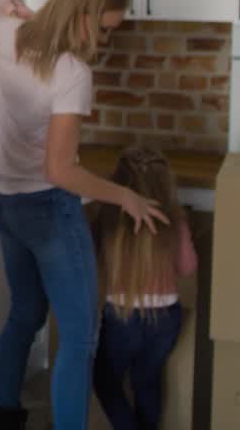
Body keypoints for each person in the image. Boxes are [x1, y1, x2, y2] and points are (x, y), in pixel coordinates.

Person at [0, 0, 167, 430]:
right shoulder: (72, 72)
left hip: (4, 201)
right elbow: (60, 170)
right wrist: (126, 197)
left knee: (24, 314)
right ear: (84, 14)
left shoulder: (10, 34)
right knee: (79, 337)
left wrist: (7, 13)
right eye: (104, 27)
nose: (106, 39)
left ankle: (6, 417)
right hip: (48, 208)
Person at [88, 147, 197, 430]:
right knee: (147, 379)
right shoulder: (176, 222)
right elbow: (188, 268)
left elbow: (92, 261)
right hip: (166, 316)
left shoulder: (107, 218)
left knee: (105, 379)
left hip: (122, 315)